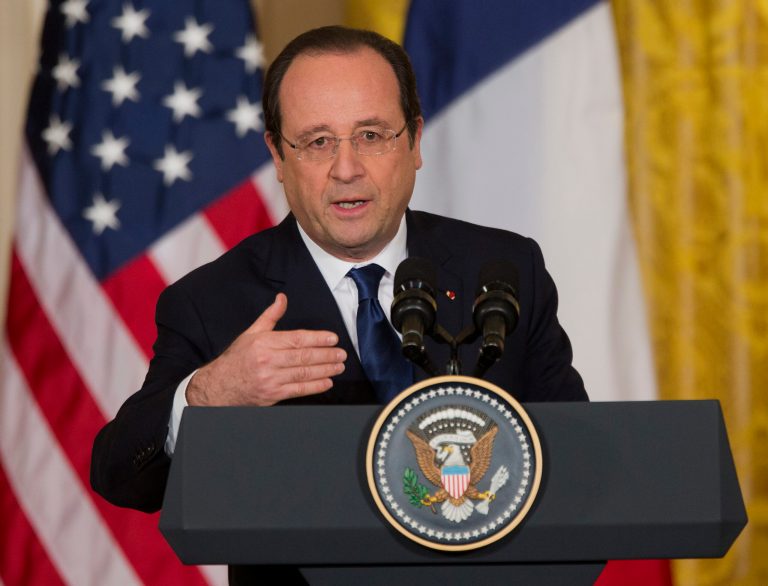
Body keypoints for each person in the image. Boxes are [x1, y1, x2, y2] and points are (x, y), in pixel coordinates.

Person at [91, 25, 587, 584]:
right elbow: (119, 475)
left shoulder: (503, 271)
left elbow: (576, 459)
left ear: (415, 142)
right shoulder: (214, 301)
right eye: (318, 141)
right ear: (278, 155)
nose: (346, 168)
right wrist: (209, 394)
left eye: (372, 135)